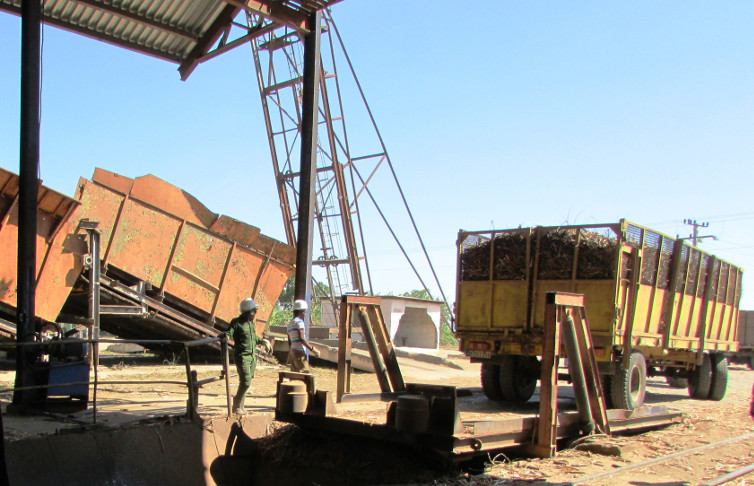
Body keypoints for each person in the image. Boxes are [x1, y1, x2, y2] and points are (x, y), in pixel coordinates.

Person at [226, 297, 269, 415]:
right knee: (245, 381)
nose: (255, 313)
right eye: (255, 311)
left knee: (246, 381)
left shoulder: (250, 324)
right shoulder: (236, 323)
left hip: (251, 357)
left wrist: (263, 341)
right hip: (242, 357)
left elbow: (253, 338)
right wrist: (225, 337)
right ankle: (236, 405)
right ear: (249, 312)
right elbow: (228, 333)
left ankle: (241, 406)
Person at [286, 299, 319, 372]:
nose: (305, 314)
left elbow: (289, 342)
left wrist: (290, 354)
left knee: (294, 377)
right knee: (305, 375)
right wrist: (313, 349)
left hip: (292, 352)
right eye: (304, 312)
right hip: (299, 353)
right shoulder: (300, 322)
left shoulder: (290, 324)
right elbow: (302, 339)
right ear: (301, 311)